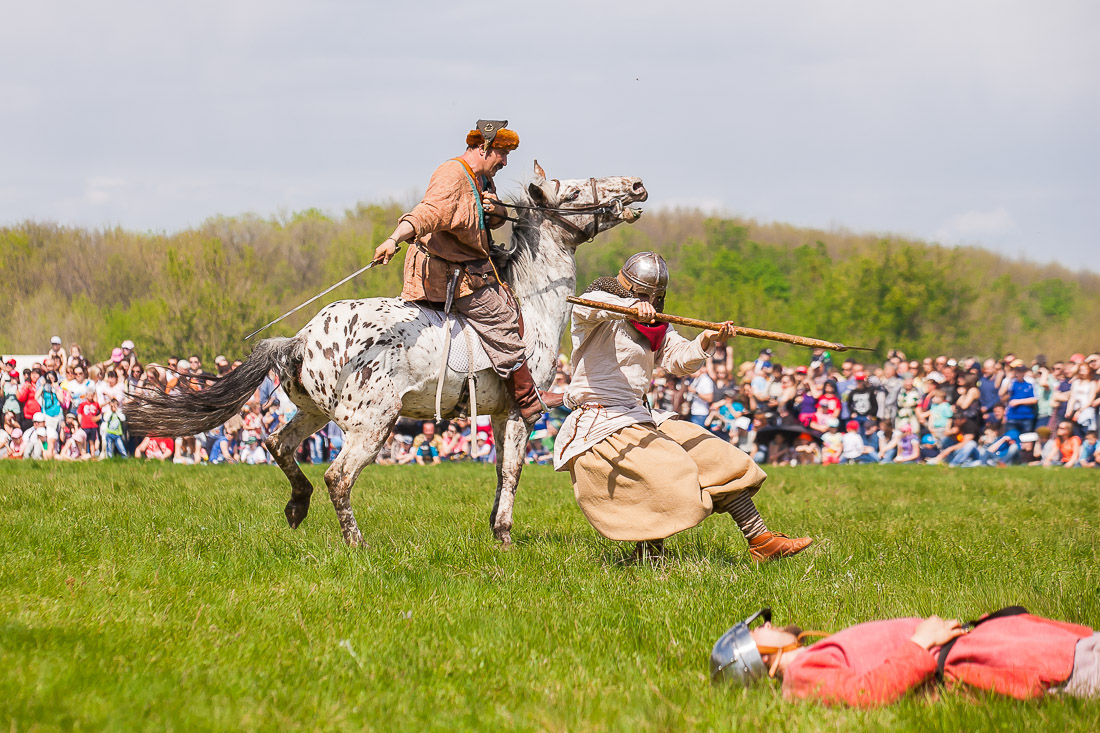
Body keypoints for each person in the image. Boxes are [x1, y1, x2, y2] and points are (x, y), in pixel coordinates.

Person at [553, 252, 811, 562]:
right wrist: (631, 307)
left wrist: (707, 338)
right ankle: (649, 553)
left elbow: (679, 360)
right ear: (627, 288)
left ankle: (762, 541)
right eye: (643, 294)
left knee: (714, 456)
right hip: (601, 421)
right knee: (665, 472)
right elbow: (587, 305)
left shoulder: (657, 327)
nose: (650, 301)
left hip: (639, 416)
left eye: (655, 297)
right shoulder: (596, 312)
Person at [372, 119, 560, 422]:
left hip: (471, 265)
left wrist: (496, 210)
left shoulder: (482, 178)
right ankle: (527, 398)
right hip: (446, 274)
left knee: (508, 299)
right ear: (483, 148)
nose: (505, 161)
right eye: (501, 153)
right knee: (501, 316)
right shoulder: (452, 175)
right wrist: (393, 239)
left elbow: (490, 219)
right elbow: (427, 212)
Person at [711, 606, 1100, 706]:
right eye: (756, 632)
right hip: (989, 660)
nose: (764, 627)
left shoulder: (810, 657)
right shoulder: (801, 675)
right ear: (758, 657)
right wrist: (919, 644)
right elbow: (865, 694)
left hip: (995, 643)